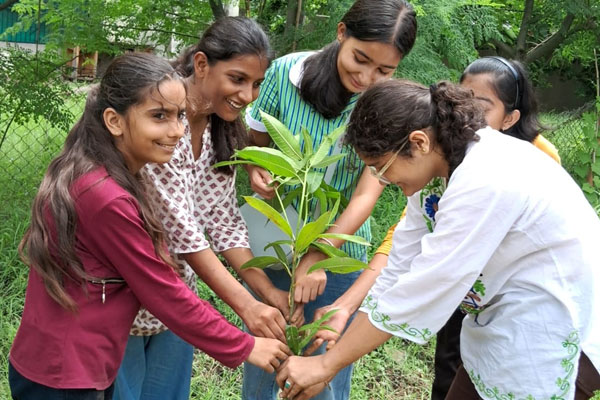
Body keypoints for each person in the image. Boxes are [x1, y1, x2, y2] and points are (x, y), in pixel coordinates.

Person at [276, 79, 600, 400]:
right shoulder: (441, 168)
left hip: (559, 323)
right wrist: (347, 314)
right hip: (507, 321)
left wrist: (326, 365)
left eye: (380, 167)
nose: (381, 180)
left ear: (418, 142)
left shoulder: (486, 176)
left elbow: (427, 282)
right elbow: (400, 264)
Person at [8, 52, 290, 400]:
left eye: (180, 116)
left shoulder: (94, 169)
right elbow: (162, 291)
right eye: (159, 117)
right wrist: (244, 346)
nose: (176, 131)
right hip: (66, 374)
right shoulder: (106, 197)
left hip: (61, 361)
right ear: (114, 120)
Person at [242, 0, 417, 398]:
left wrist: (318, 255)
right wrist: (257, 170)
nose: (367, 76)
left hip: (340, 247)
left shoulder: (387, 103)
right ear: (341, 33)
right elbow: (257, 141)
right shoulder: (286, 73)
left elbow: (365, 193)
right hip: (278, 234)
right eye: (360, 58)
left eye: (384, 70)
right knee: (267, 350)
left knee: (323, 363)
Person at [112, 18, 290, 400]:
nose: (248, 95)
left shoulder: (217, 129)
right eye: (238, 79)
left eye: (256, 84)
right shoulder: (159, 124)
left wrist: (265, 291)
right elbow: (183, 233)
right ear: (202, 64)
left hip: (177, 304)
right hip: (125, 300)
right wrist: (247, 306)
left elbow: (222, 220)